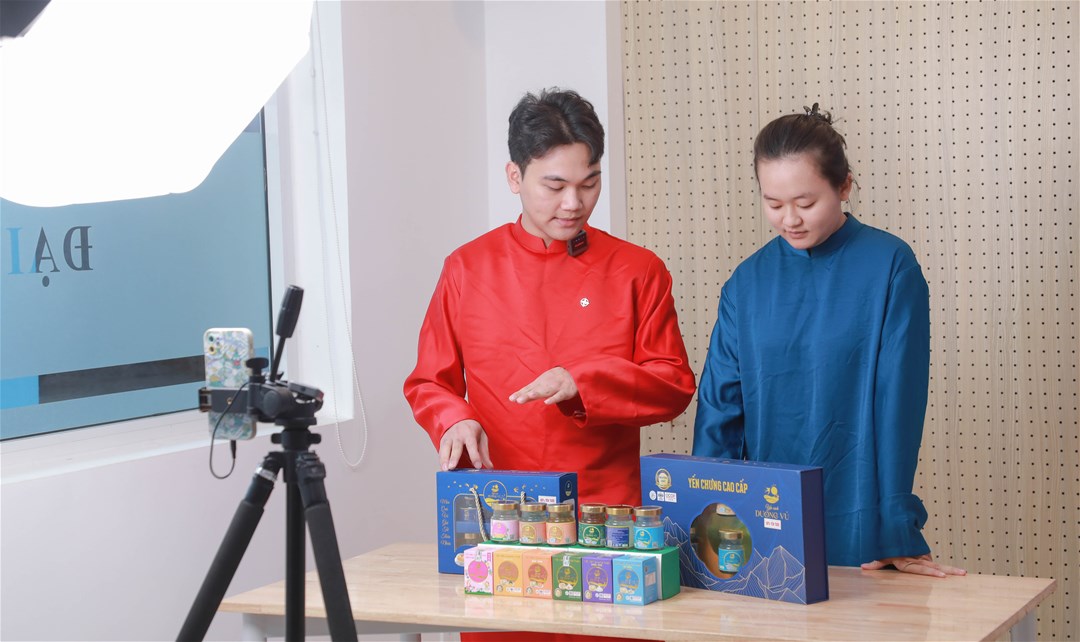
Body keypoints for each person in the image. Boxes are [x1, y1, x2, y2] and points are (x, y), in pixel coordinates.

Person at [692, 104, 965, 578]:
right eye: (773, 204)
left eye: (805, 202)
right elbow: (719, 409)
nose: (789, 220)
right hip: (761, 518)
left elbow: (898, 406)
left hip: (858, 514)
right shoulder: (746, 282)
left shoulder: (890, 267)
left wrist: (895, 528)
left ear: (844, 186)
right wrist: (706, 521)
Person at [404, 87, 695, 520]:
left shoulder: (638, 269)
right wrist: (452, 418)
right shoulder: (467, 267)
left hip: (606, 507)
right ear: (514, 177)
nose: (574, 204)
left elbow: (673, 385)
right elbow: (429, 381)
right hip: (499, 502)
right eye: (555, 186)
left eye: (589, 184)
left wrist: (585, 381)